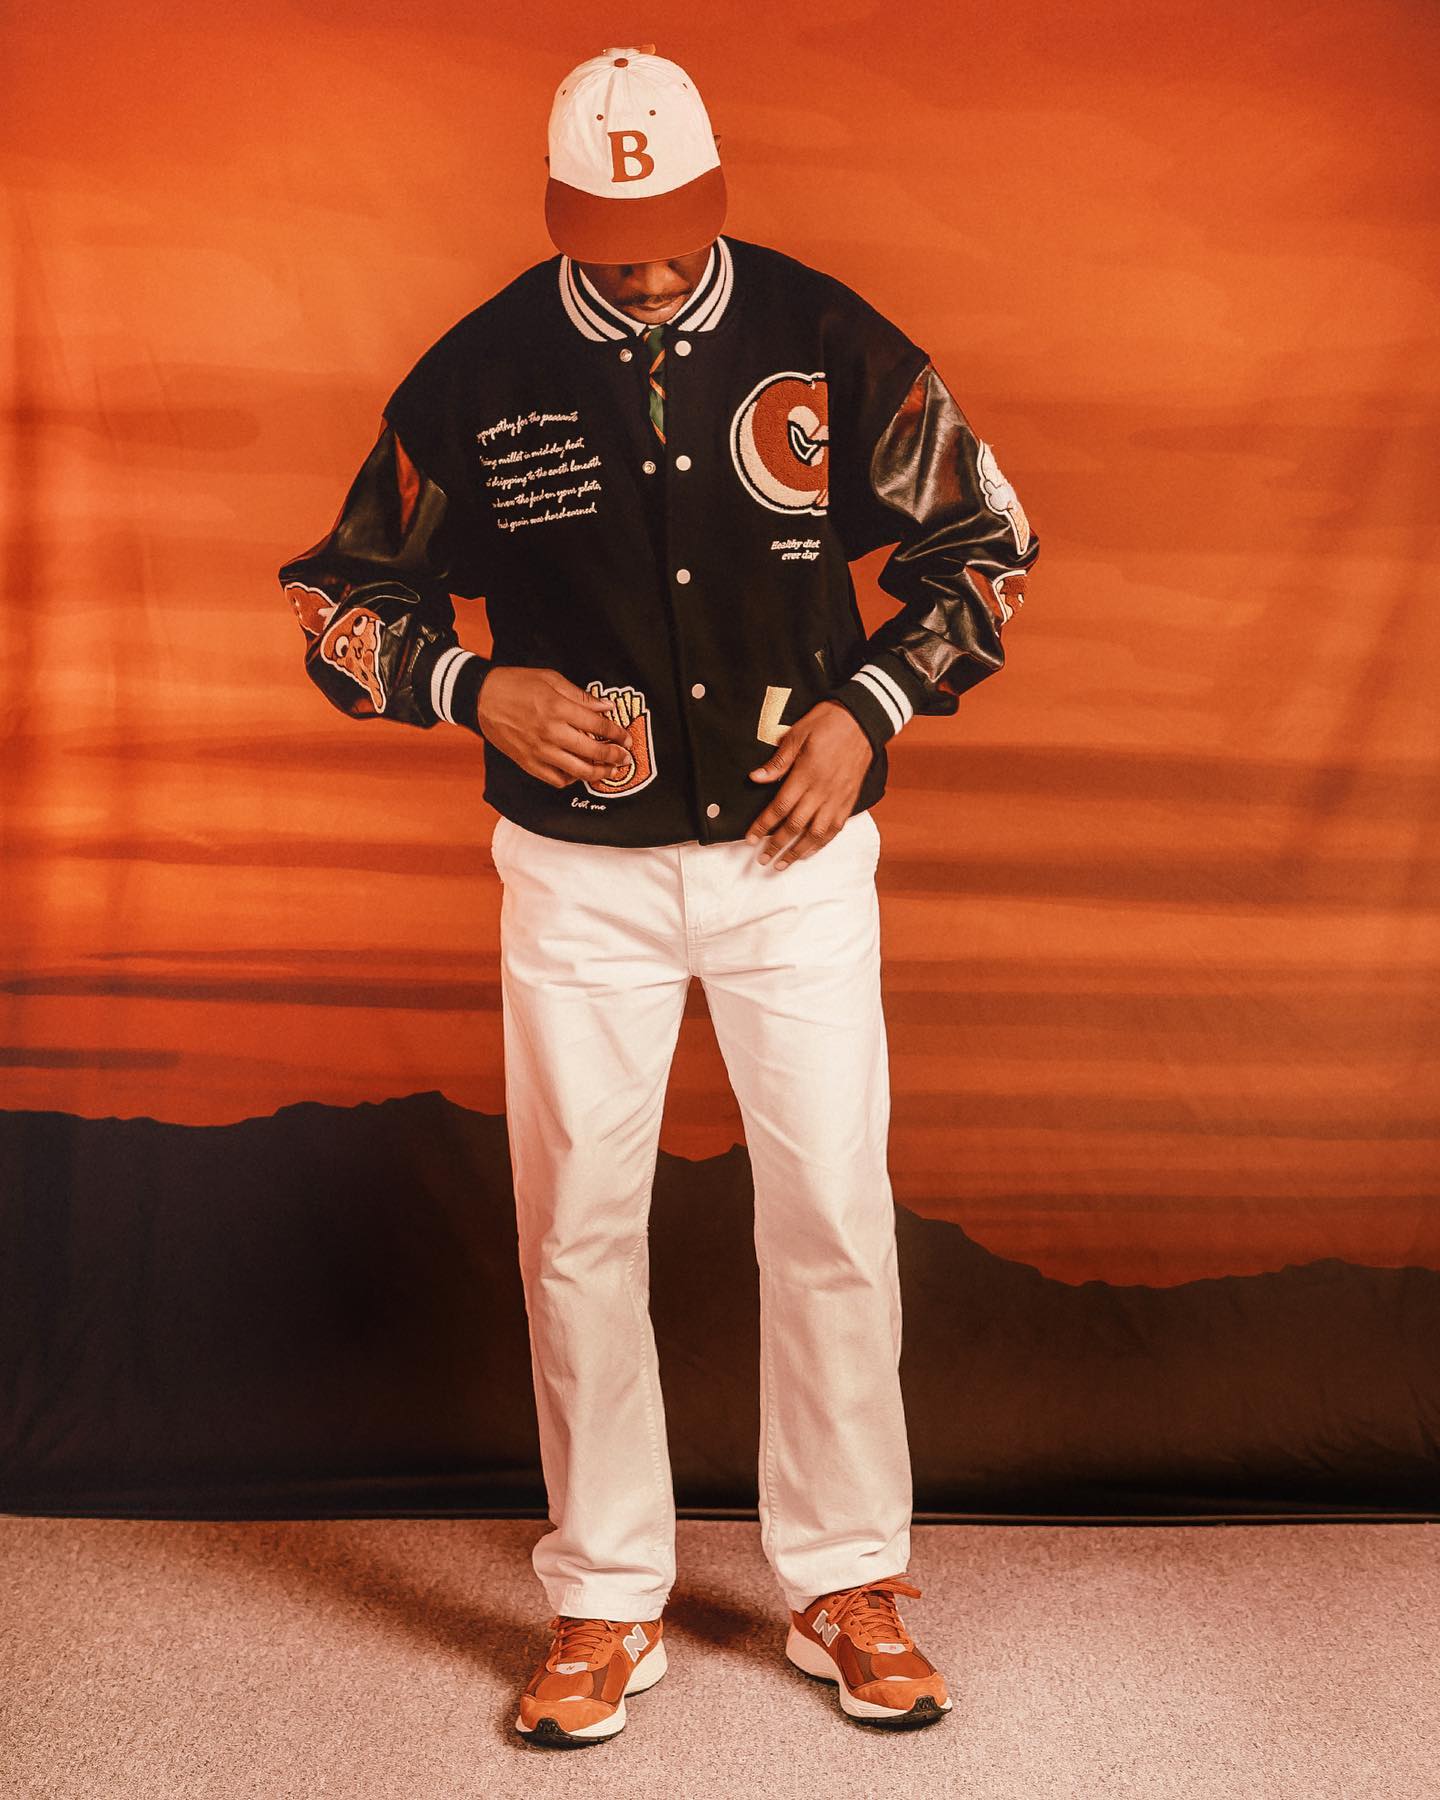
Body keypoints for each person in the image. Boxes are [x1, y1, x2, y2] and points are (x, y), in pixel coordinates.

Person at [279, 43, 1040, 1746]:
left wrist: (870, 707)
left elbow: (986, 545)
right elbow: (338, 605)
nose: (643, 275)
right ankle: (606, 1597)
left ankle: (845, 1583)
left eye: (672, 238)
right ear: (558, 212)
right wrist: (471, 686)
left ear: (716, 197)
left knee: (831, 1209)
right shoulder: (478, 372)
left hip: (794, 862)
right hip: (577, 878)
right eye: (609, 246)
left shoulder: (828, 340)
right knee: (575, 1230)